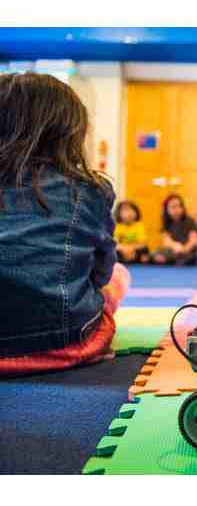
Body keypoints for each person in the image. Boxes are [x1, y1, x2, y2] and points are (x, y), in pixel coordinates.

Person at [0, 73, 130, 376]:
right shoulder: (88, 189)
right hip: (63, 345)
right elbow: (101, 273)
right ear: (69, 132)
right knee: (119, 276)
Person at [151, 194, 197, 266]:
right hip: (173, 250)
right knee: (155, 253)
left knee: (190, 257)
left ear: (182, 207)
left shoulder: (190, 221)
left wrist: (184, 249)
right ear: (166, 209)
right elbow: (167, 241)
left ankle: (175, 260)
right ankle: (171, 259)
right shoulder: (166, 223)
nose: (176, 209)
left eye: (178, 206)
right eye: (172, 207)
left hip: (188, 250)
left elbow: (193, 240)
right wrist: (175, 246)